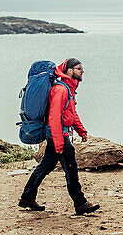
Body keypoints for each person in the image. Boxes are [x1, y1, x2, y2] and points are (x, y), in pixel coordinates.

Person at [18, 59, 100, 215]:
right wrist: (59, 143)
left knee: (44, 167)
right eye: (79, 68)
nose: (82, 71)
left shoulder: (67, 89)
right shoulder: (61, 90)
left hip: (58, 136)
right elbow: (54, 117)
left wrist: (81, 130)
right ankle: (80, 203)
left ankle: (27, 197)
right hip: (59, 136)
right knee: (71, 170)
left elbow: (70, 113)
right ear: (69, 71)